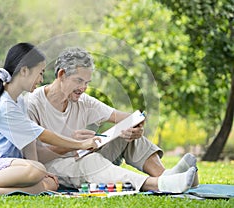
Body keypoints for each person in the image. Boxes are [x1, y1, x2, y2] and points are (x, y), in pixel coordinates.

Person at [25, 47, 198, 193]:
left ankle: (167, 176)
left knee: (125, 133)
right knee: (91, 162)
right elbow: (34, 158)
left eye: (87, 82)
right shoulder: (32, 104)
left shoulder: (83, 101)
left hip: (82, 155)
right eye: (79, 81)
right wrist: (73, 144)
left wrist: (136, 126)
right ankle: (158, 184)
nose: (83, 88)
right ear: (61, 75)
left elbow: (129, 118)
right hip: (51, 166)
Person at [0, 43, 100, 197]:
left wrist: (39, 170)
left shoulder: (19, 101)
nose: (41, 79)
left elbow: (29, 141)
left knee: (50, 183)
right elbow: (41, 135)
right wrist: (80, 144)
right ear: (24, 71)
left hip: (3, 167)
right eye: (40, 73)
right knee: (38, 171)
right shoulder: (5, 105)